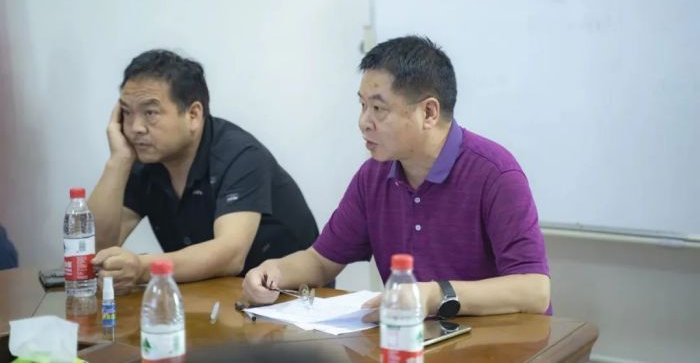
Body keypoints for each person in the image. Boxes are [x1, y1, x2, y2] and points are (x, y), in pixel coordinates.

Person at [243, 36, 550, 319]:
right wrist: (274, 271)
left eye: (378, 108)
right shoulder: (373, 176)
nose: (363, 122)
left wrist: (433, 295)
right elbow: (321, 262)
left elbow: (535, 290)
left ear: (428, 113)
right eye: (362, 105)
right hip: (411, 341)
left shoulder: (495, 173)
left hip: (494, 345)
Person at [90, 50, 318, 294]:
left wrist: (143, 267)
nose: (135, 128)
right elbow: (93, 249)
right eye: (127, 112)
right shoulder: (145, 160)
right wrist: (118, 161)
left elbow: (230, 255)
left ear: (193, 115)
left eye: (150, 113)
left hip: (289, 297)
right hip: (214, 292)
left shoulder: (240, 155)